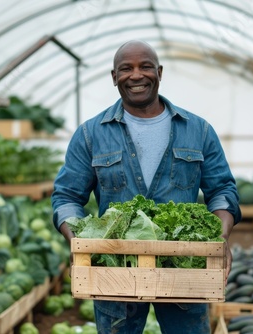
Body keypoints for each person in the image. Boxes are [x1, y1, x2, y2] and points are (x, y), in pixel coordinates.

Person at [51, 40, 241, 334]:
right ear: (114, 77)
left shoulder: (198, 130)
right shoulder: (90, 134)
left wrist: (220, 237)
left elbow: (223, 192)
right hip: (115, 266)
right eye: (126, 69)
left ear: (159, 72)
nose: (136, 75)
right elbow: (66, 197)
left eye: (145, 67)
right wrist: (83, 243)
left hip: (185, 268)